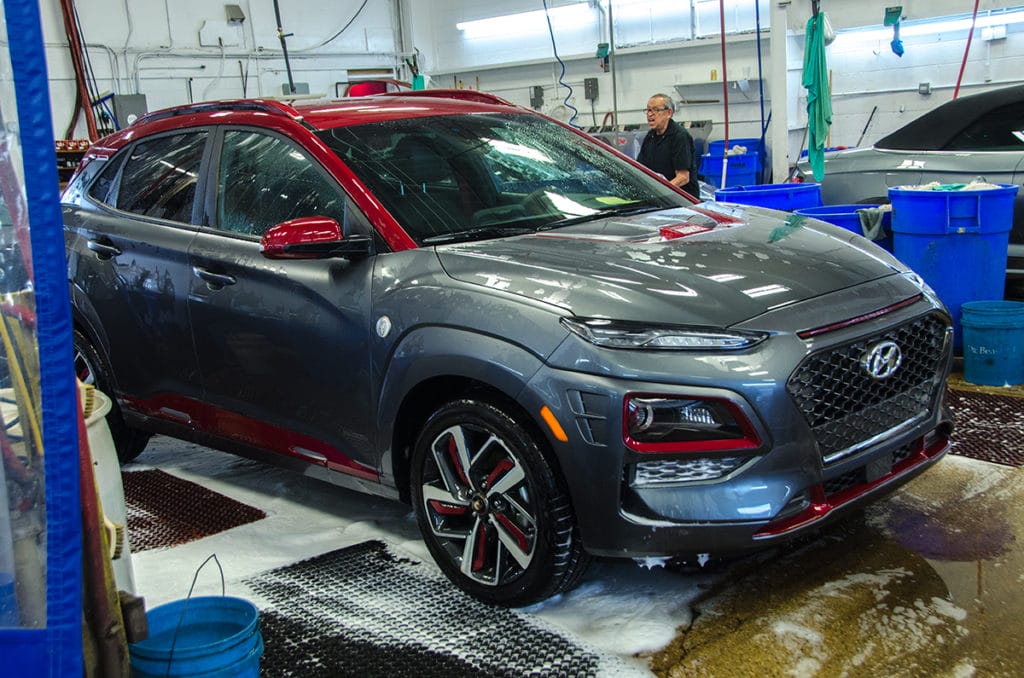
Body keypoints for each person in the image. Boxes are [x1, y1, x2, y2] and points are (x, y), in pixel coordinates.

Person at [636, 93, 700, 200]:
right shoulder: (650, 137)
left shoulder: (679, 136)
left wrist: (659, 194)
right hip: (661, 198)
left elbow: (683, 177)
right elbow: (641, 170)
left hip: (682, 199)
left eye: (656, 110)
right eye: (648, 110)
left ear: (669, 113)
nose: (650, 114)